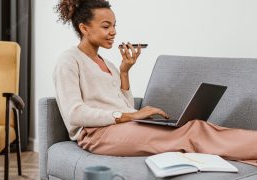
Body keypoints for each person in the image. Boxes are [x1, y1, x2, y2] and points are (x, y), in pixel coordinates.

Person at [53, 0, 257, 165]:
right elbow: (75, 113)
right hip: (96, 134)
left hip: (121, 127)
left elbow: (124, 106)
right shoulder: (69, 60)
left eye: (114, 25)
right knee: (191, 133)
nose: (113, 32)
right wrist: (130, 116)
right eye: (106, 26)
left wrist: (124, 72)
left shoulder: (109, 64)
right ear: (84, 28)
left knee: (194, 125)